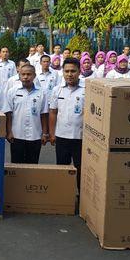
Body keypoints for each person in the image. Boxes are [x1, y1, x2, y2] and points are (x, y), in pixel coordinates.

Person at [49, 58, 85, 191]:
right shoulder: (57, 90)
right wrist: (52, 133)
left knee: (81, 169)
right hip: (61, 136)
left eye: (73, 71)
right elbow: (53, 112)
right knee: (62, 169)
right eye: (67, 71)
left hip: (81, 137)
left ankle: (81, 199)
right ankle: (63, 197)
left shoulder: (86, 89)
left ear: (79, 72)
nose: (70, 74)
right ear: (62, 73)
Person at [4, 64, 49, 164]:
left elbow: (44, 114)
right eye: (23, 74)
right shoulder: (12, 92)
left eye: (29, 74)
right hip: (17, 134)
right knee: (16, 165)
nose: (25, 77)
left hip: (35, 135)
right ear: (19, 75)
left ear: (34, 75)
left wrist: (45, 133)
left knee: (32, 164)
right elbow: (8, 114)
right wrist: (9, 131)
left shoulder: (42, 92)